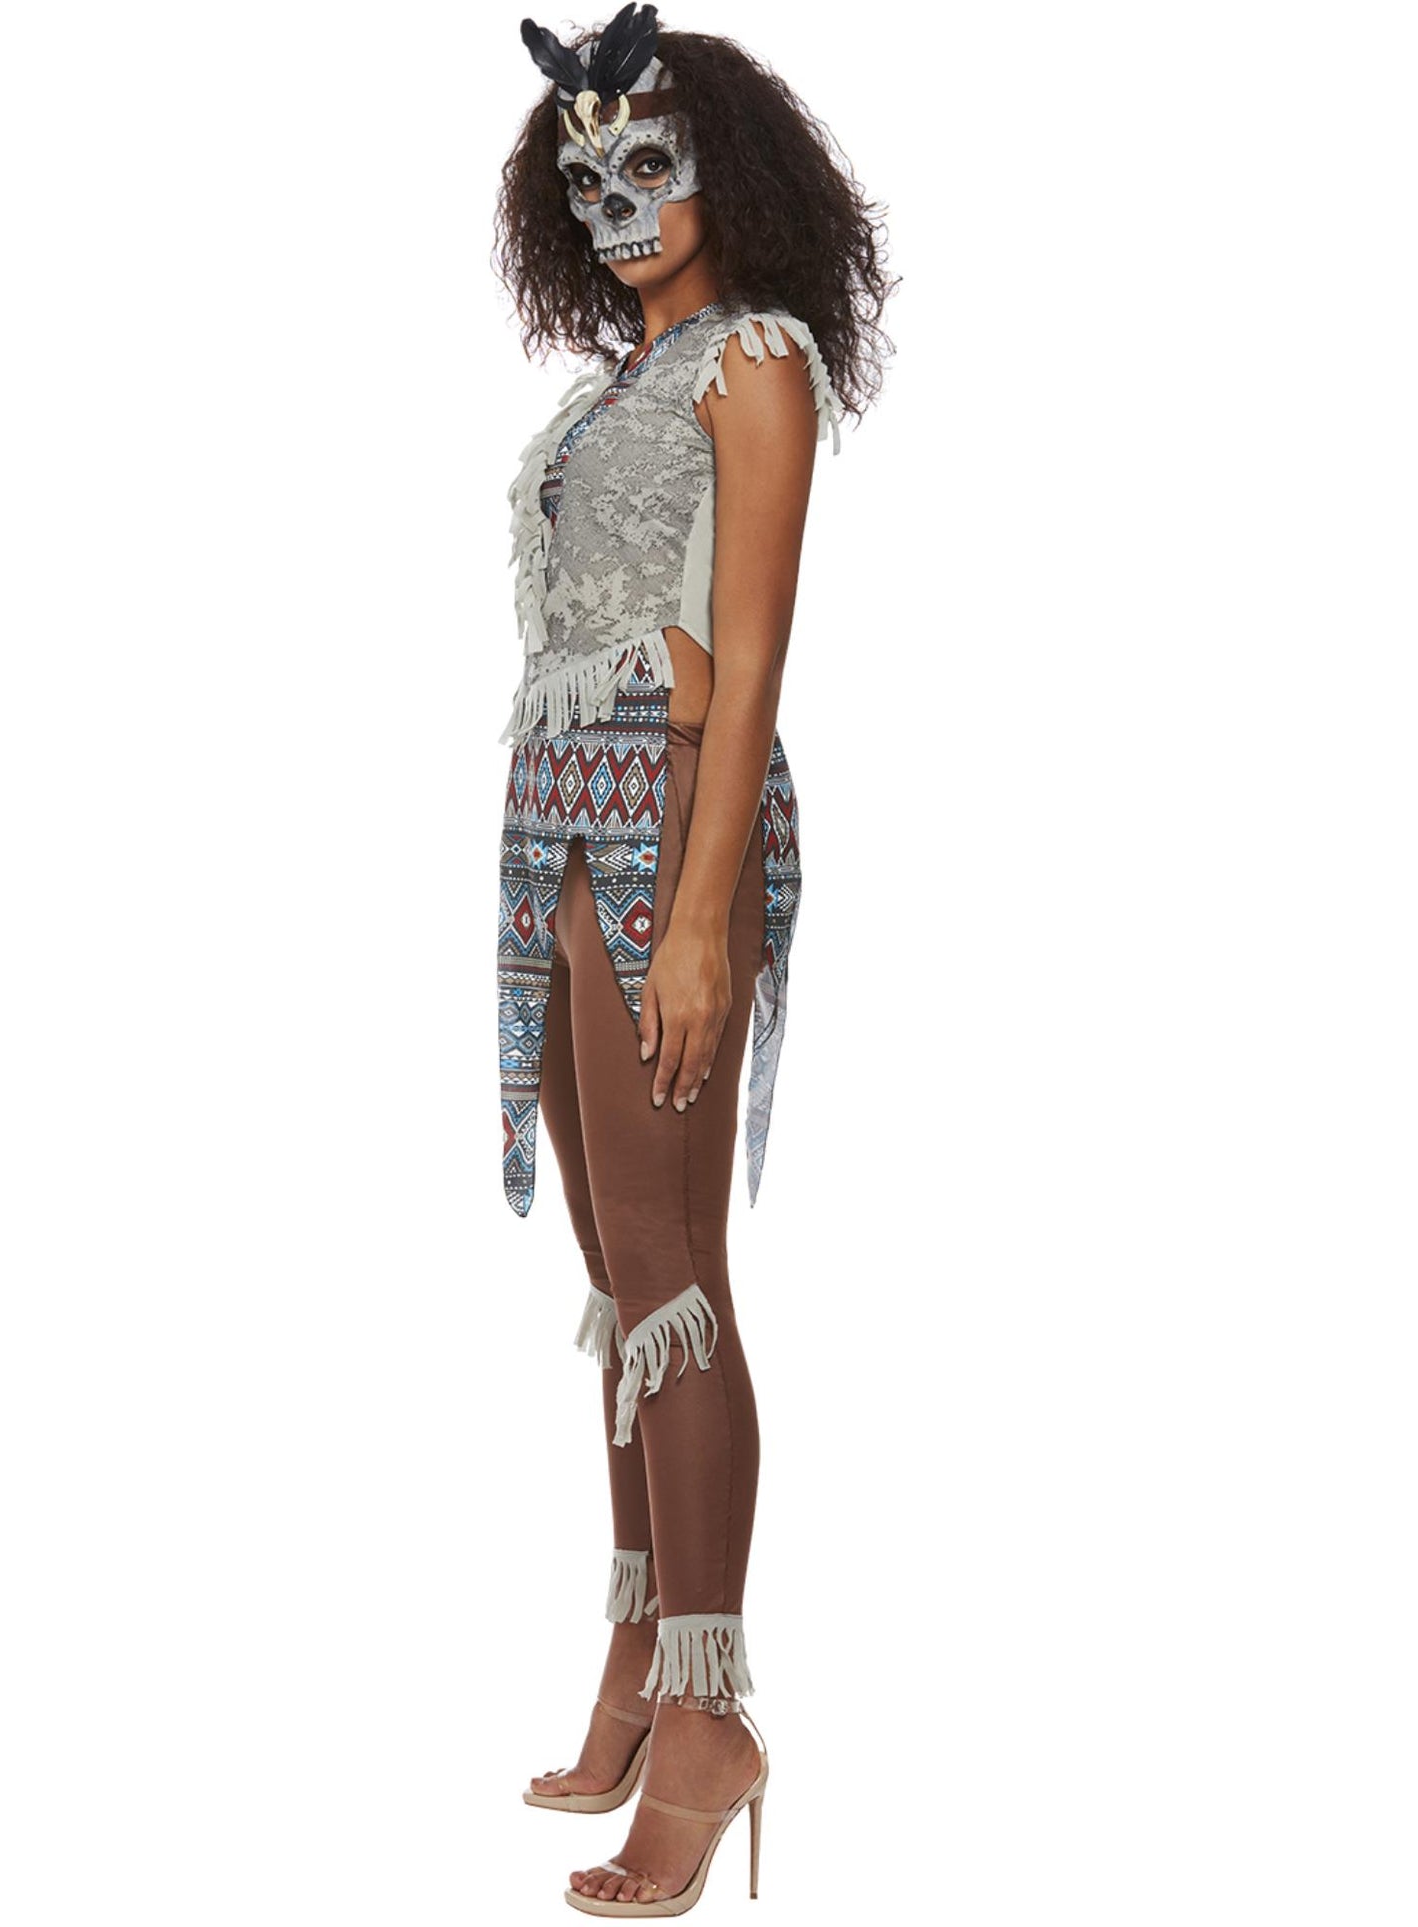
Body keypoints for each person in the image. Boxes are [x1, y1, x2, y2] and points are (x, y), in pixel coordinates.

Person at [492, 7, 894, 1911]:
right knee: (615, 1271)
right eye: (588, 184)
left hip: (668, 812)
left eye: (648, 166)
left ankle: (712, 1711)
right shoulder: (613, 383)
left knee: (669, 1267)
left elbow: (750, 658)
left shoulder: (754, 363)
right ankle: (643, 1658)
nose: (619, 205)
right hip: (557, 806)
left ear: (728, 177)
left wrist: (705, 919)